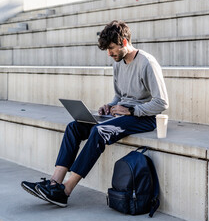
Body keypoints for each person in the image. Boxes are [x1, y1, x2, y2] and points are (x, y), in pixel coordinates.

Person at [21, 20, 169, 207]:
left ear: (124, 42)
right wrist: (110, 106)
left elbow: (161, 102)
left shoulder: (147, 63)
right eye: (107, 49)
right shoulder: (118, 63)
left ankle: (65, 191)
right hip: (121, 115)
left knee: (99, 131)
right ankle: (54, 183)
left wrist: (131, 110)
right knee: (74, 127)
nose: (109, 53)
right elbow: (119, 96)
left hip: (144, 118)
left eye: (112, 48)